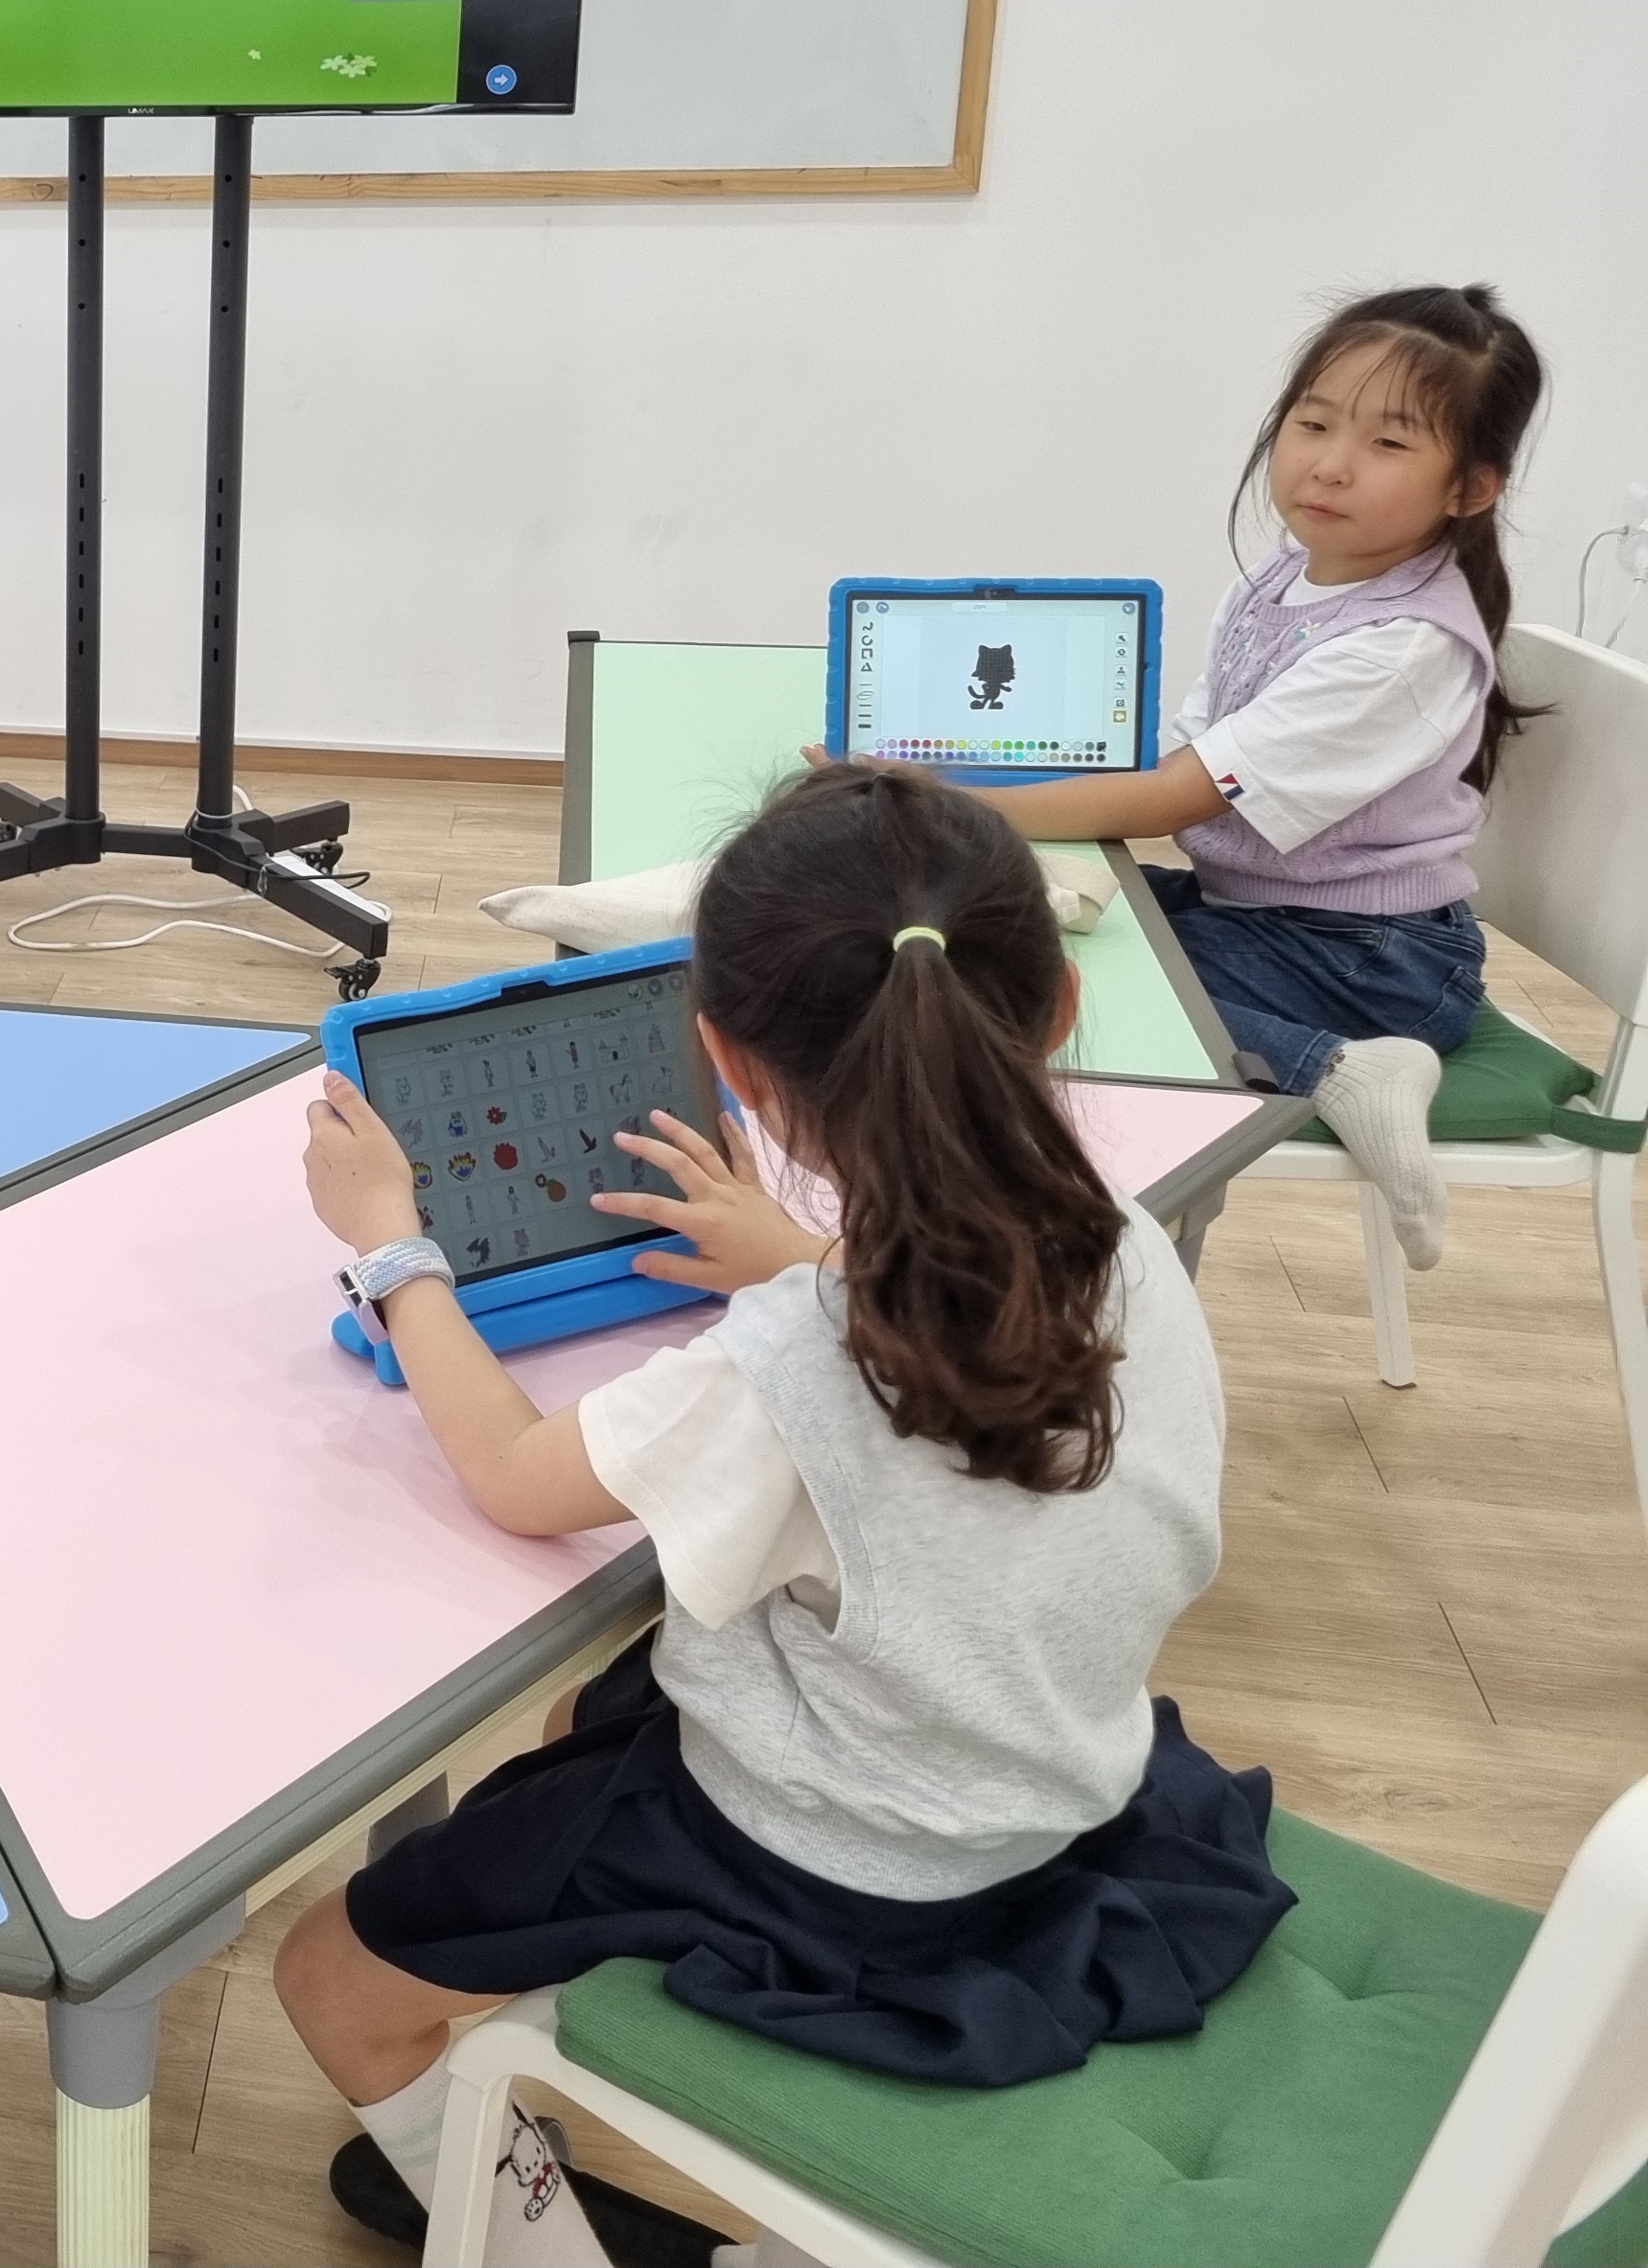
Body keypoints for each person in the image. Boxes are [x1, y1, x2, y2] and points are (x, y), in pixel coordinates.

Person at [278, 762, 1287, 2263]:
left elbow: (512, 1476)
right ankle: (539, 2065)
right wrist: (798, 1259)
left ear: (728, 1066)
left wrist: (394, 1250)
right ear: (1060, 1009)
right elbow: (919, 1366)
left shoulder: (801, 1360)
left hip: (851, 1871)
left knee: (326, 1976)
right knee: (585, 1720)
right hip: (1061, 1773)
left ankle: (541, 2242)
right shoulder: (1125, 1242)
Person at [960, 286, 1547, 1267]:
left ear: (1471, 487)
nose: (1330, 462)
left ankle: (1339, 1070)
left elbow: (1175, 797)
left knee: (1045, 979)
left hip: (1373, 965)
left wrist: (950, 803)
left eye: (1388, 443)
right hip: (1266, 917)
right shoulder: (1280, 577)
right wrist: (983, 782)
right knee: (991, 916)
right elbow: (1189, 748)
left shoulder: (1404, 647)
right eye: (1314, 422)